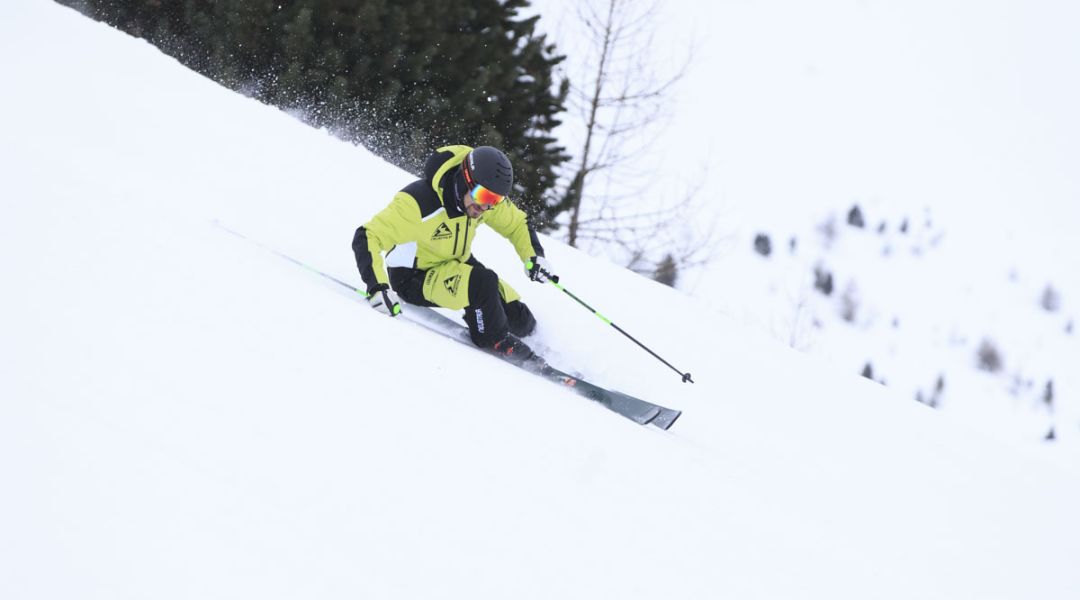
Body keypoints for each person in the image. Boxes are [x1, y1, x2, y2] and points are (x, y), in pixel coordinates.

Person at [352, 144, 558, 363]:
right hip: (414, 276)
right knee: (483, 284)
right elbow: (367, 236)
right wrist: (377, 287)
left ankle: (522, 336)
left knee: (521, 320)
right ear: (465, 179)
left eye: (494, 201)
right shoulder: (418, 203)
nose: (486, 207)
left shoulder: (481, 201)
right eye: (483, 196)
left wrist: (535, 257)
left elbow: (516, 224)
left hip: (454, 261)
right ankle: (494, 340)